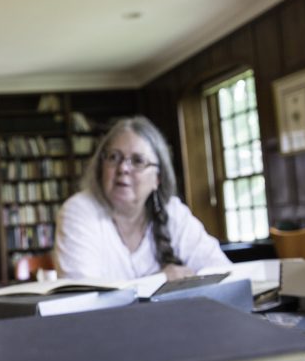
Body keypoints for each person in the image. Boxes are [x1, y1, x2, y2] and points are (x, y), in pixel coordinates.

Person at [54, 116, 230, 281]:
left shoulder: (173, 212)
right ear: (101, 168)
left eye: (138, 161)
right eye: (114, 157)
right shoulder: (78, 211)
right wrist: (159, 280)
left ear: (158, 178)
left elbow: (223, 272)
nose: (123, 168)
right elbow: (83, 297)